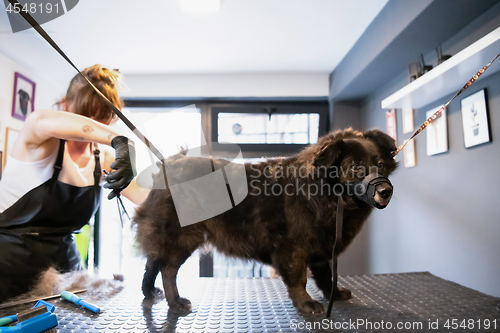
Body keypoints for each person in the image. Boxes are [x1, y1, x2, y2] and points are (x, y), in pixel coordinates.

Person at [0, 64, 149, 302]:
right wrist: (122, 140)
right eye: (82, 116)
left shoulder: (105, 158)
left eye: (100, 117)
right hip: (7, 273)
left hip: (66, 277)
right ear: (65, 105)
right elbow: (41, 118)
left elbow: (146, 199)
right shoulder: (39, 139)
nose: (90, 127)